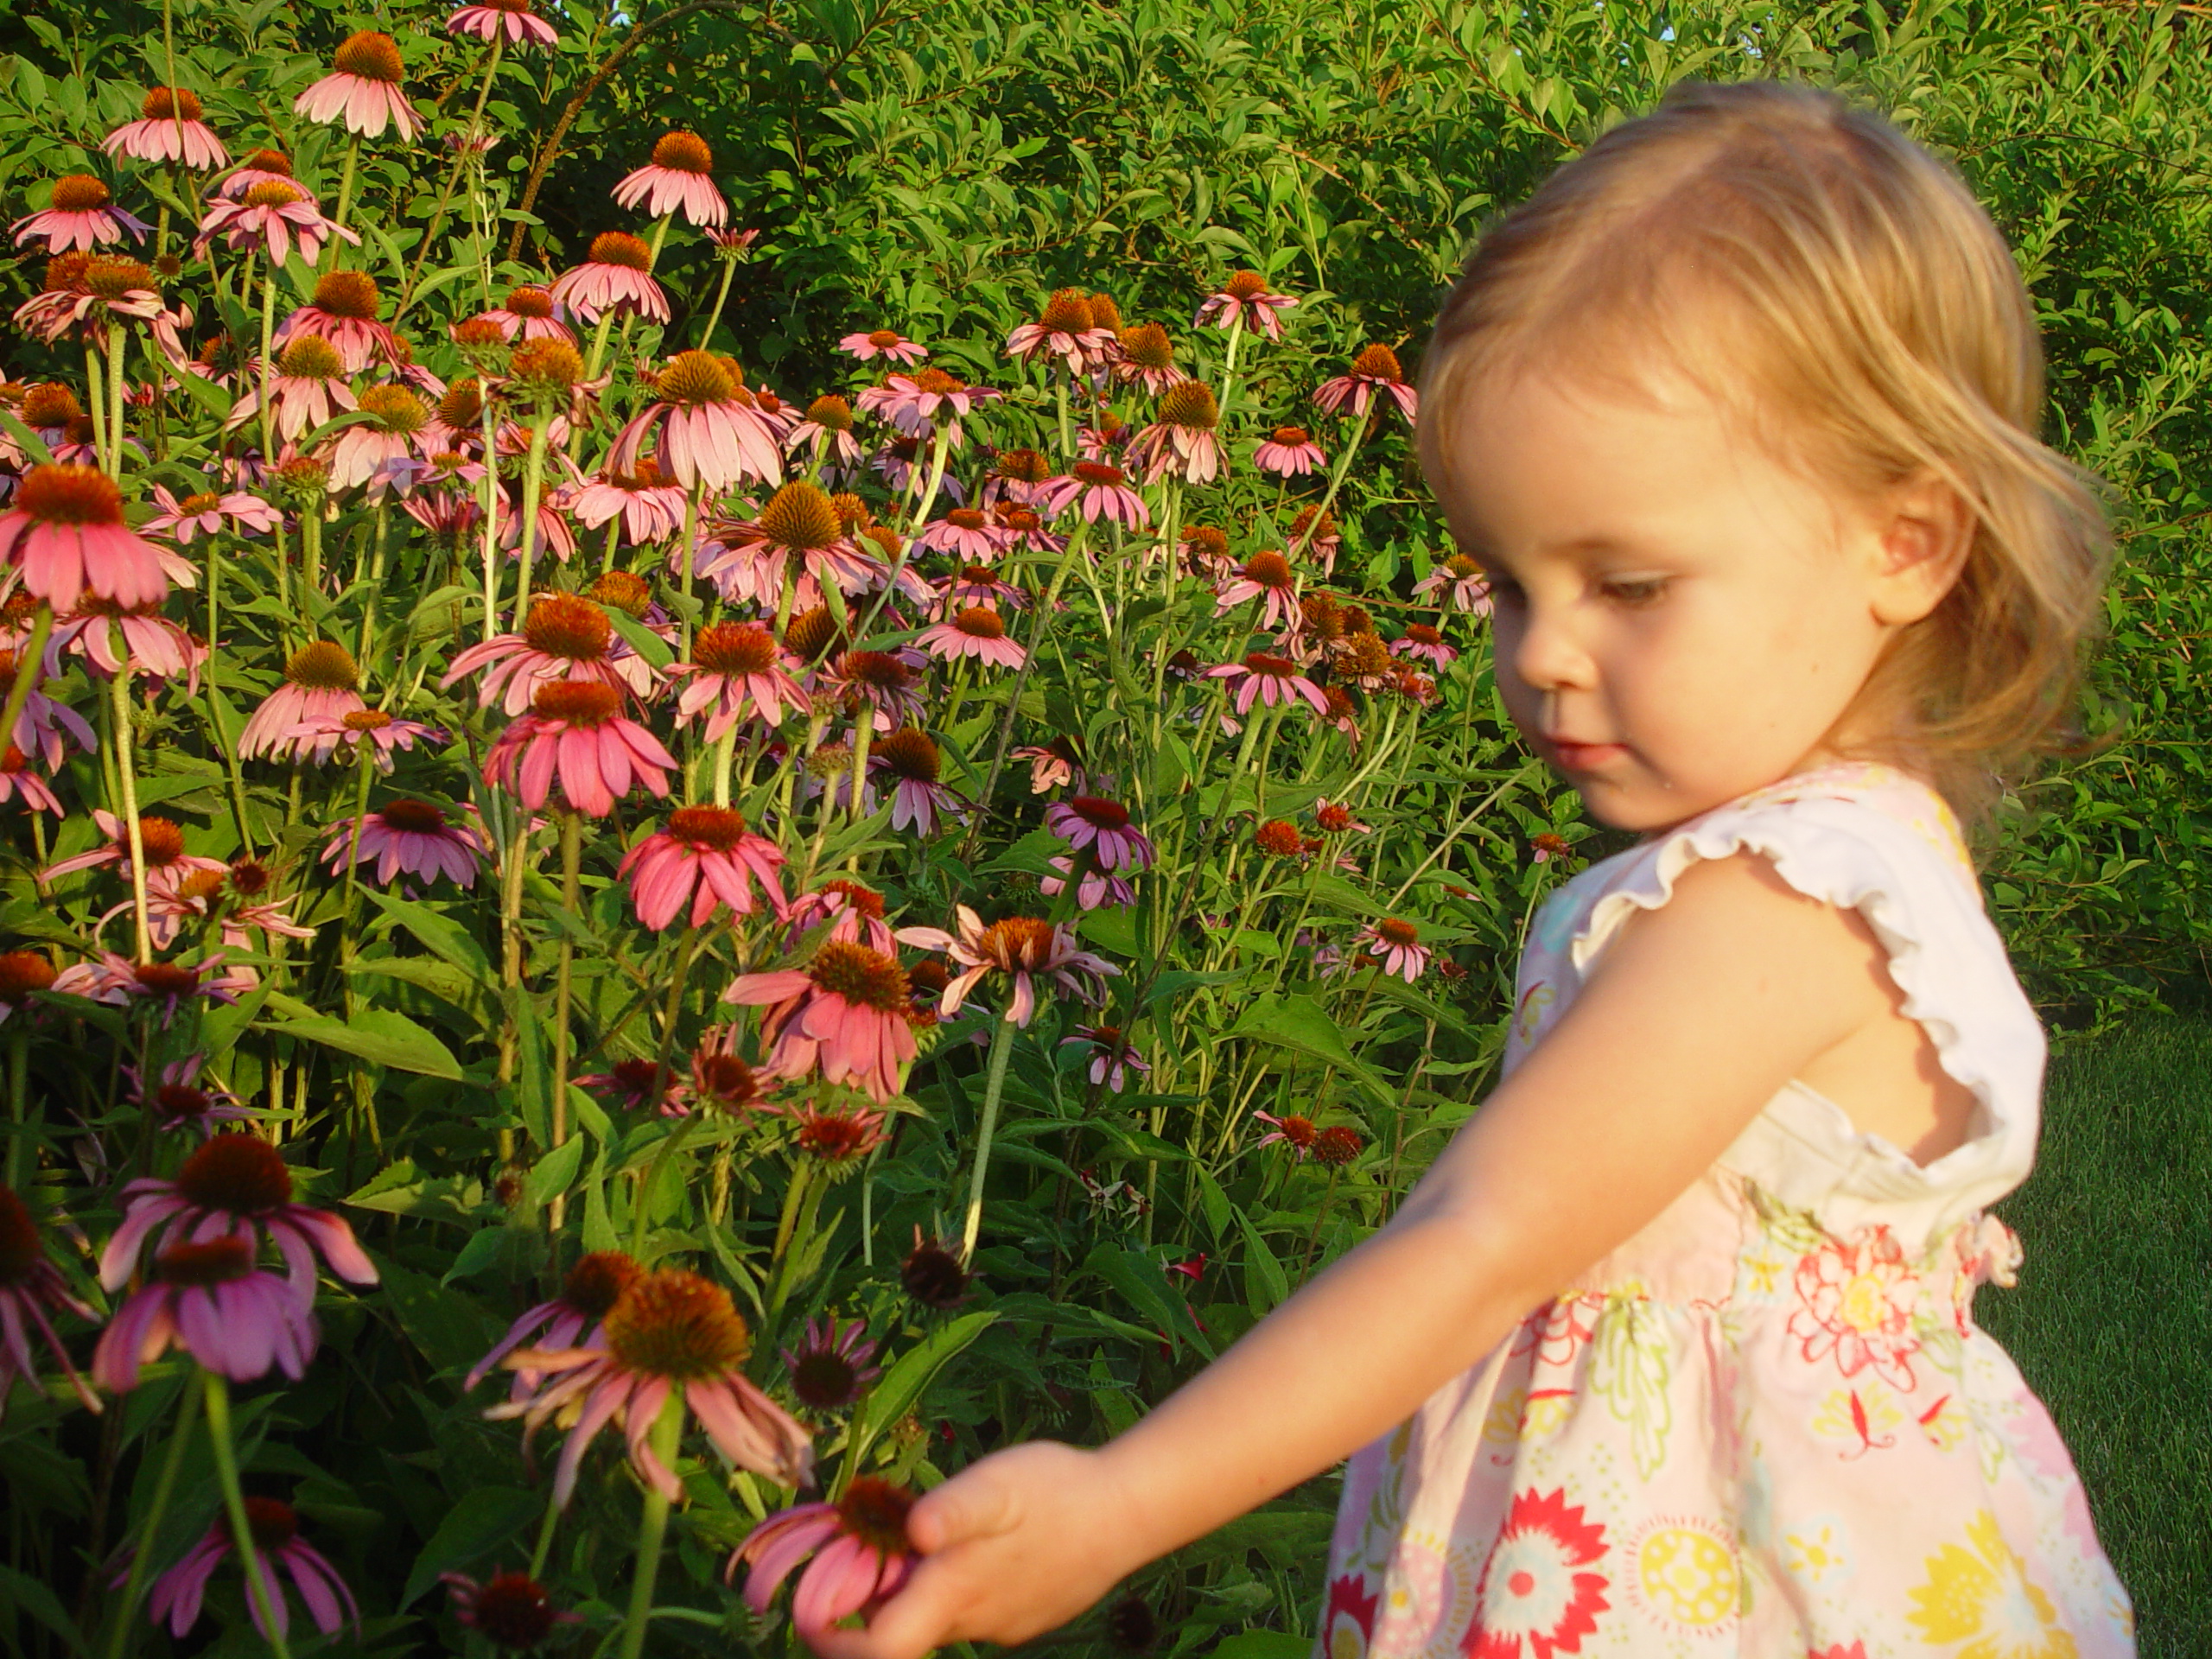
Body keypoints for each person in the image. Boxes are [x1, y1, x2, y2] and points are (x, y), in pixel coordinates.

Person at [810, 80, 2135, 1657]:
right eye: (1510, 582)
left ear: (1903, 542)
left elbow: (1484, 1237)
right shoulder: (1851, 847)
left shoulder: (1781, 901)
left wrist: (1125, 1501)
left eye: (1629, 583)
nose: (1546, 657)